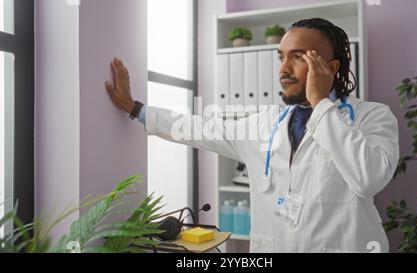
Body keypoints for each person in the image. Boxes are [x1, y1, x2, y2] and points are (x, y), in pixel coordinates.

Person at [104, 18, 399, 253]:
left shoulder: (372, 117)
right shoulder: (265, 123)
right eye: (281, 57)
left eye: (297, 58)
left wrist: (321, 104)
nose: (283, 69)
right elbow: (197, 128)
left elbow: (368, 178)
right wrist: (135, 108)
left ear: (331, 68)